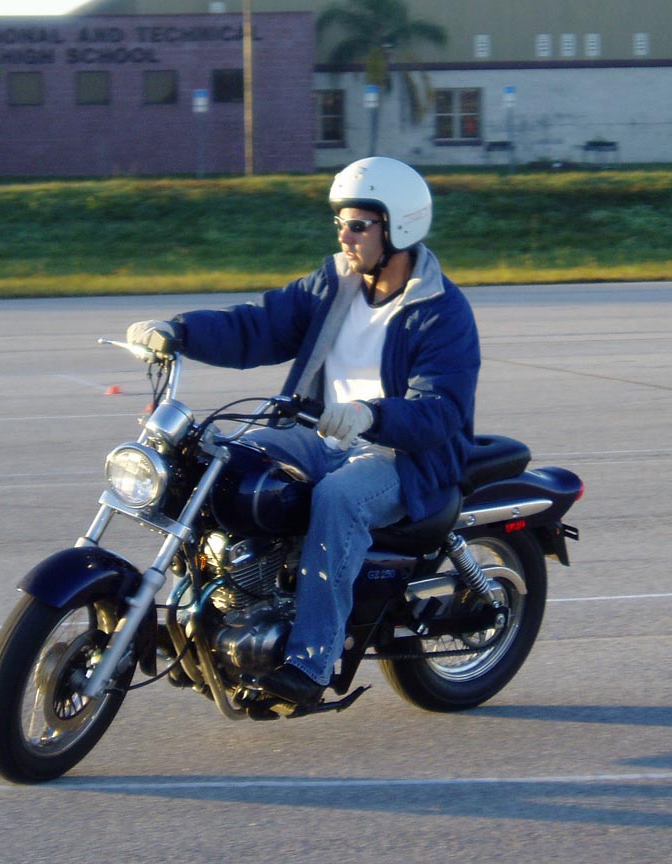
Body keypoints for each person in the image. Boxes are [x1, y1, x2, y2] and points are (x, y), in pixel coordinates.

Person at [125, 156, 481, 709]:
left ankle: (311, 663)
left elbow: (440, 408)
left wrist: (371, 414)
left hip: (402, 454)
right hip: (319, 436)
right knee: (219, 459)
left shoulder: (440, 311)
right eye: (340, 222)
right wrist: (180, 331)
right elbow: (257, 325)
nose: (344, 234)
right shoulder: (333, 285)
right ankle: (200, 613)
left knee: (338, 499)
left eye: (358, 224)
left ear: (399, 228)